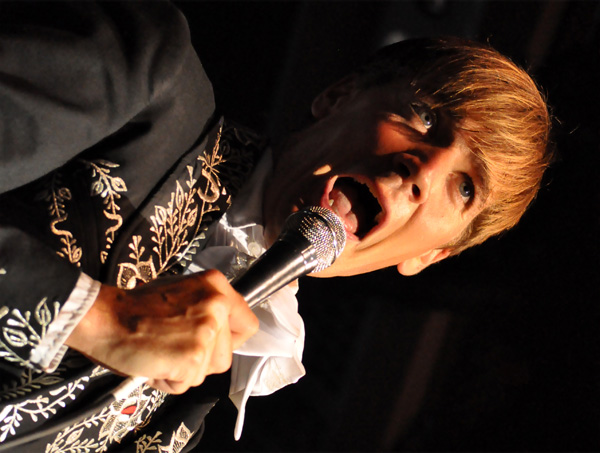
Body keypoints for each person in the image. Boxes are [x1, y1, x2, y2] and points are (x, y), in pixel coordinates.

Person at [0, 1, 551, 451]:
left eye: (465, 188)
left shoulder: (188, 417)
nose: (424, 171)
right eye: (426, 116)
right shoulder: (151, 74)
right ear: (339, 95)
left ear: (430, 256)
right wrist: (98, 319)